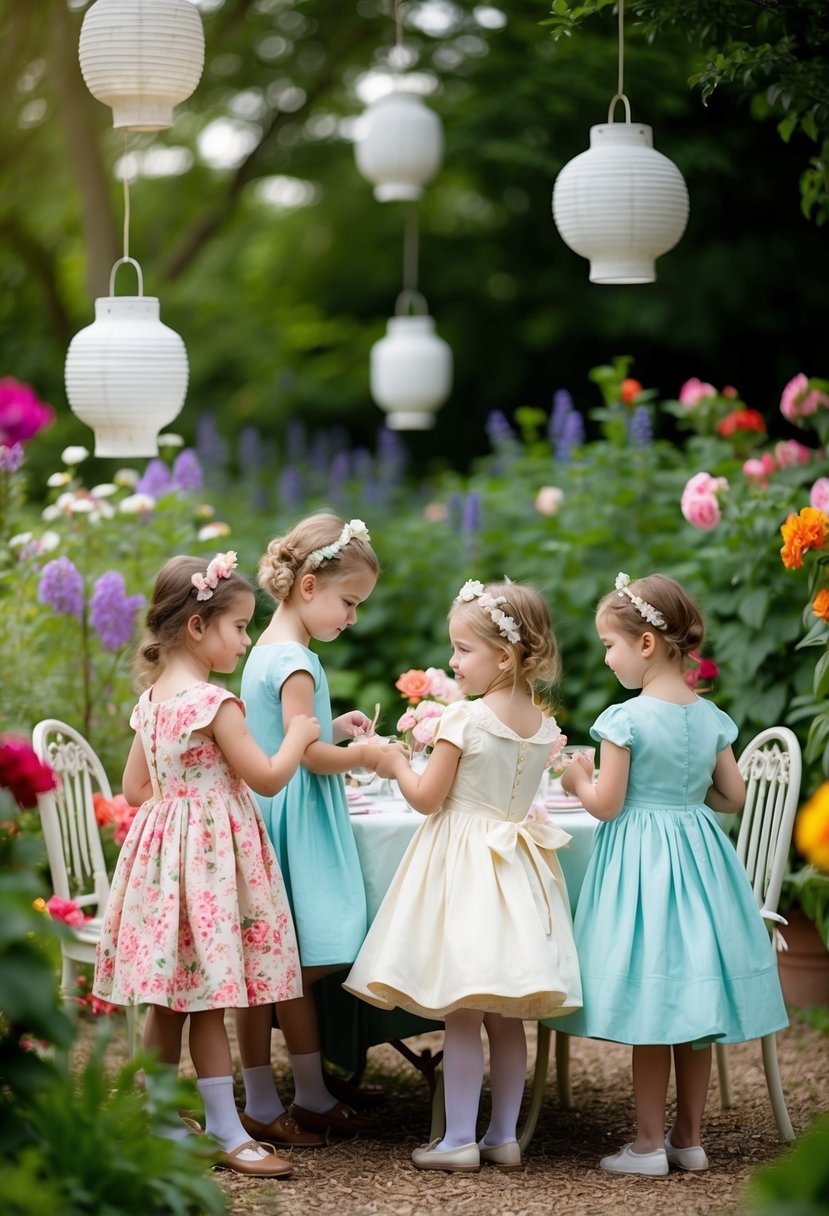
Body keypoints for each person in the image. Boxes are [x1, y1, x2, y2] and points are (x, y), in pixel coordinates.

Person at [93, 552, 321, 1178]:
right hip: (212, 871)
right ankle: (224, 1129)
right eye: (240, 626)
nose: (247, 640)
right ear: (198, 627)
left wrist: (180, 815)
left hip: (166, 869)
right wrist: (299, 737)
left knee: (170, 1001)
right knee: (208, 1002)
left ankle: (162, 1118)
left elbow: (135, 789)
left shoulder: (151, 704)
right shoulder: (214, 705)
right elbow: (269, 779)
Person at [344, 578, 582, 1173]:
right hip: (516, 871)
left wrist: (395, 760)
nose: (452, 661)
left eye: (462, 649)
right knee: (504, 1014)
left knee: (461, 1012)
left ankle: (457, 1141)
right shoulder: (545, 726)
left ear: (504, 656)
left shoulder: (464, 719)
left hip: (464, 872)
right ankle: (502, 1136)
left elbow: (426, 799)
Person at [560, 572, 788, 1177]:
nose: (606, 658)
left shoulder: (623, 719)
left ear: (645, 645)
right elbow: (732, 796)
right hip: (701, 864)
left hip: (643, 869)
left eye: (610, 644)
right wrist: (690, 798)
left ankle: (645, 1145)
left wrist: (575, 779)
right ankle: (689, 1140)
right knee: (691, 1012)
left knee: (651, 1009)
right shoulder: (711, 716)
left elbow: (606, 804)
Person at [235, 515, 400, 1146]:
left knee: (286, 964)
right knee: (291, 964)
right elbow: (306, 757)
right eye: (348, 602)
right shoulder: (297, 662)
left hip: (280, 812)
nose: (353, 617)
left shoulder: (270, 651)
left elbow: (292, 733)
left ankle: (306, 1092)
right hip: (295, 820)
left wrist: (332, 728)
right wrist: (365, 755)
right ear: (308, 585)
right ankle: (269, 1097)